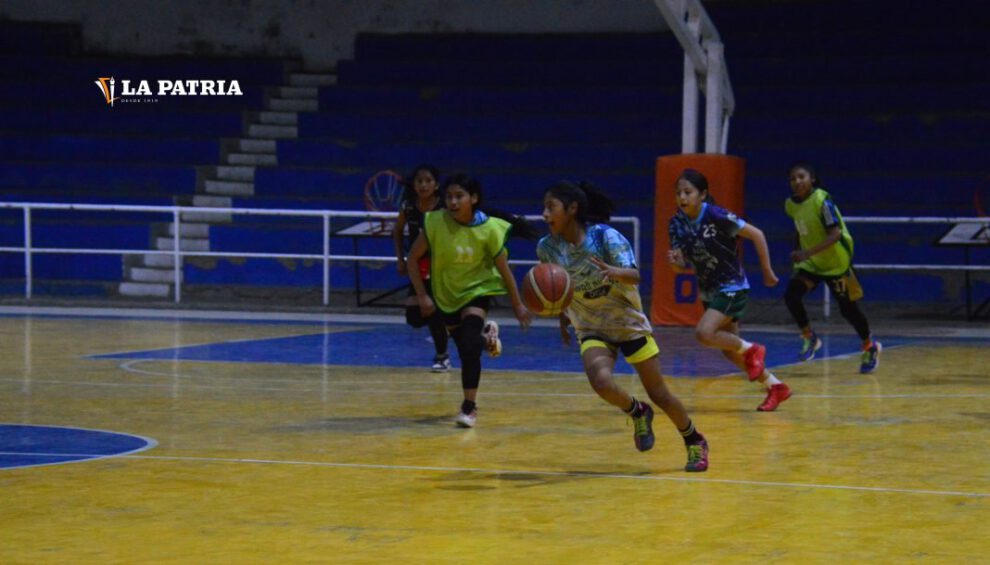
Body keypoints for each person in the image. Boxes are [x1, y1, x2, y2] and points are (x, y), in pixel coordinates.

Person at [538, 180, 709, 472]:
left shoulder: (605, 237)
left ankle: (694, 440)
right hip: (591, 327)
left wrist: (614, 271)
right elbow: (559, 287)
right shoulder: (548, 248)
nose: (544, 214)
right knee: (601, 382)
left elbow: (634, 275)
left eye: (550, 207)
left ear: (572, 208)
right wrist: (560, 315)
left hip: (628, 325)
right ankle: (637, 411)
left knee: (660, 394)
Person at [406, 172, 537, 428]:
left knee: (468, 347)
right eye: (449, 197)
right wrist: (422, 295)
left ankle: (469, 406)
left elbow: (504, 269)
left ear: (473, 199)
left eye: (459, 196)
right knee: (465, 344)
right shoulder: (434, 223)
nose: (453, 202)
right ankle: (486, 333)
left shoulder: (489, 229)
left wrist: (518, 303)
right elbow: (412, 259)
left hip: (478, 290)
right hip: (446, 293)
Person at [666, 169, 792, 412]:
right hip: (709, 291)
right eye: (678, 193)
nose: (682, 197)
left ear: (702, 194)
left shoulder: (716, 215)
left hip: (732, 285)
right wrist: (674, 262)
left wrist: (767, 271)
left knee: (704, 333)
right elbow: (681, 268)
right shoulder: (677, 224)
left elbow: (757, 234)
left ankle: (753, 348)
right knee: (730, 352)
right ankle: (776, 387)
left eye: (688, 192)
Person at [784, 162, 881, 373]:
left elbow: (835, 234)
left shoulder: (822, 200)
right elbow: (801, 229)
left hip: (837, 263)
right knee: (791, 295)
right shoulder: (790, 205)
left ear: (812, 179)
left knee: (848, 310)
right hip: (812, 263)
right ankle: (809, 337)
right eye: (792, 178)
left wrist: (806, 253)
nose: (797, 181)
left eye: (801, 176)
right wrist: (798, 252)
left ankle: (869, 346)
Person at [392, 164, 451, 372]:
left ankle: (442, 356)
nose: (423, 184)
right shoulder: (408, 206)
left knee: (432, 309)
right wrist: (400, 259)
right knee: (414, 317)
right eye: (419, 181)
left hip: (442, 267)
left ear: (436, 185)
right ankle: (450, 326)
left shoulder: (444, 207)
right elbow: (397, 231)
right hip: (417, 265)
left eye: (428, 181)